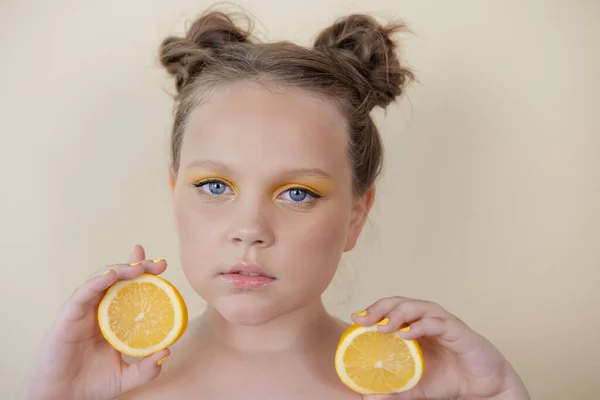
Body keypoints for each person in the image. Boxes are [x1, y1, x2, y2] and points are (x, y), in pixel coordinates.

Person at [18, 8, 530, 400]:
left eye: (297, 194)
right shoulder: (104, 386)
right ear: (176, 195)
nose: (250, 229)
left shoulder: (417, 388)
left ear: (356, 215)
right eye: (216, 186)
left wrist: (501, 393)